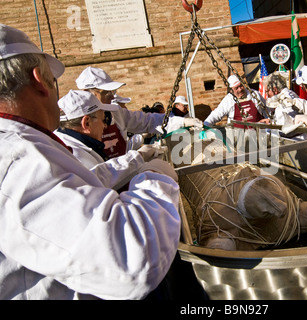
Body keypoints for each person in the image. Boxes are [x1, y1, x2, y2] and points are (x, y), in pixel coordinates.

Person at [0, 24, 181, 299]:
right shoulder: (18, 158)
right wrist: (158, 176)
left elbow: (83, 181)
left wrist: (138, 159)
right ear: (39, 80)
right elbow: (132, 260)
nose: (107, 115)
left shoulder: (23, 146)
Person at [75, 66, 202, 157]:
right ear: (87, 93)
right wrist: (137, 158)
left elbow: (148, 121)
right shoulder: (75, 127)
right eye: (106, 92)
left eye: (112, 92)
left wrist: (183, 121)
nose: (112, 97)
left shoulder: (116, 113)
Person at [56, 90, 163, 190]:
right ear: (87, 123)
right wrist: (139, 157)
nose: (105, 126)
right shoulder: (72, 152)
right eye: (103, 120)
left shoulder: (79, 143)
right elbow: (99, 180)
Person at [204, 74, 268, 152]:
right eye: (236, 88)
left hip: (258, 135)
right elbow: (216, 114)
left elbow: (266, 109)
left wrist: (267, 120)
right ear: (231, 90)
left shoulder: (254, 94)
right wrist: (205, 126)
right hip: (238, 140)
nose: (240, 89)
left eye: (241, 86)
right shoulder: (228, 100)